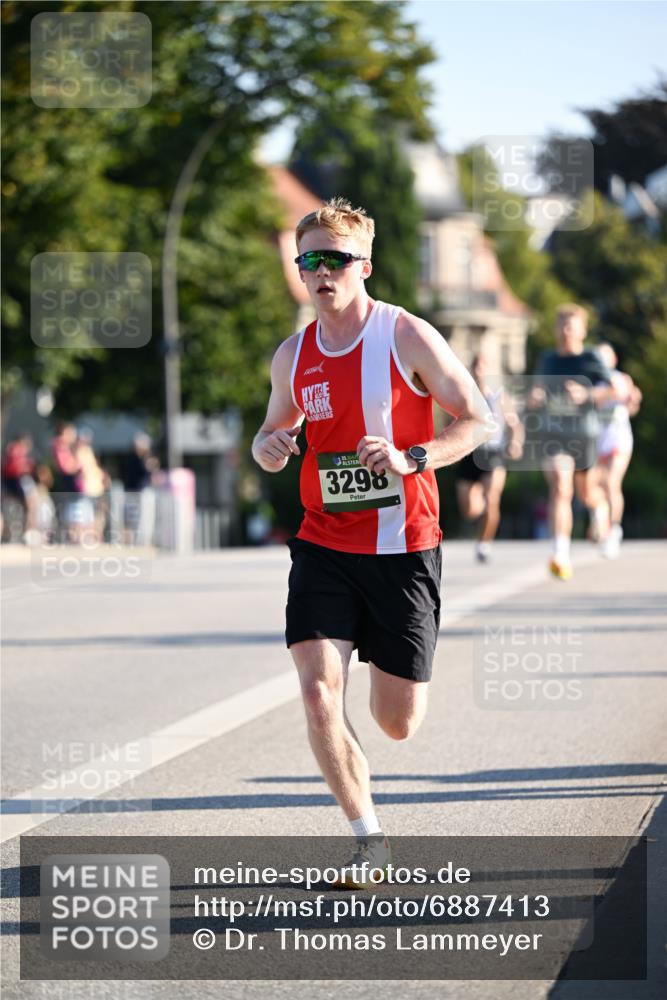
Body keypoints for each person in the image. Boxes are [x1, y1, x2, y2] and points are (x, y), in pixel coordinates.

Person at [252, 198, 492, 885]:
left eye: (335, 259)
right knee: (318, 691)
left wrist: (413, 456)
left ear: (364, 266)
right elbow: (273, 429)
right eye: (309, 260)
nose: (321, 271)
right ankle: (368, 840)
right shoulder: (292, 354)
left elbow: (475, 418)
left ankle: (402, 679)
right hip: (323, 544)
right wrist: (269, 446)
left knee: (397, 722)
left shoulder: (405, 335)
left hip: (403, 546)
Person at [529, 304, 620, 580]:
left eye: (572, 325)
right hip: (554, 435)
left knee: (587, 494)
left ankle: (600, 509)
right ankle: (560, 552)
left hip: (585, 435)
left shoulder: (591, 357)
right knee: (560, 485)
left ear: (583, 330)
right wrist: (534, 398)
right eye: (562, 325)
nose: (566, 330)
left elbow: (615, 391)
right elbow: (537, 390)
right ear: (556, 329)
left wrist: (587, 394)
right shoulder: (548, 359)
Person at [455, 353, 523, 562]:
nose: (479, 370)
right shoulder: (464, 393)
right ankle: (483, 511)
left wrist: (515, 442)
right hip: (469, 452)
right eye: (476, 366)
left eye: (483, 366)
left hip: (493, 453)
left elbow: (515, 425)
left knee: (492, 498)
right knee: (469, 509)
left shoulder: (499, 396)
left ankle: (484, 544)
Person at [594, 343, 642, 559]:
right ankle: (601, 526)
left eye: (605, 357)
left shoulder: (622, 379)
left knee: (612, 483)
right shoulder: (592, 381)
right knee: (596, 489)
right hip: (597, 440)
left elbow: (631, 407)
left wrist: (632, 400)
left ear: (613, 360)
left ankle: (614, 530)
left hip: (618, 438)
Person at [1, 432, 37, 541]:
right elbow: (17, 468)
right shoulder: (16, 449)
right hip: (14, 481)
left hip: (10, 481)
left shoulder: (11, 449)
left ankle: (25, 531)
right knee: (31, 504)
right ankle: (27, 531)